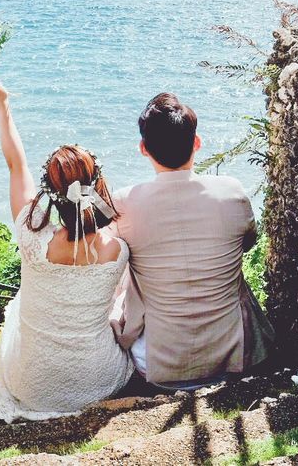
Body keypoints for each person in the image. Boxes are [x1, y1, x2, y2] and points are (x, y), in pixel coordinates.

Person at [0, 70, 134, 423]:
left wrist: (2, 106)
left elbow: (14, 164)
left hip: (32, 384)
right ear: (96, 186)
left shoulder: (31, 238)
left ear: (50, 191)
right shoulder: (117, 249)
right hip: (98, 380)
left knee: (17, 307)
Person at [112, 92, 274, 388]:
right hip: (232, 355)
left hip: (159, 363)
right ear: (197, 143)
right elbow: (247, 242)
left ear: (143, 149)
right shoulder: (232, 192)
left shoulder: (124, 203)